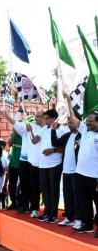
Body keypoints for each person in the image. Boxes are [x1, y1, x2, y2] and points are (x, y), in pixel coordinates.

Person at [64, 92, 98, 234]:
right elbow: (73, 117)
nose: (88, 122)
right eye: (87, 120)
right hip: (80, 173)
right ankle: (88, 224)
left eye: (91, 121)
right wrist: (68, 101)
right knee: (84, 201)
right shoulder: (84, 130)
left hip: (94, 176)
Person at [30, 109, 68, 223]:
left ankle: (53, 214)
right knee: (45, 190)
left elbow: (63, 147)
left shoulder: (61, 130)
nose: (44, 120)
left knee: (53, 190)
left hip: (54, 164)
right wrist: (31, 131)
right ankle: (46, 212)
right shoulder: (44, 129)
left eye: (47, 118)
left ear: (53, 118)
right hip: (43, 165)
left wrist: (53, 150)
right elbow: (35, 141)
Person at [50, 116, 81, 227]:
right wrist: (53, 130)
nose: (69, 124)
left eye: (71, 122)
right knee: (67, 196)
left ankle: (78, 219)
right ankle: (69, 217)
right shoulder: (68, 135)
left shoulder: (82, 135)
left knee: (77, 197)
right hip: (66, 171)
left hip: (77, 172)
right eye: (68, 122)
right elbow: (55, 143)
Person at [7, 130, 22, 210]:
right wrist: (14, 133)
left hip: (23, 164)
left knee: (22, 186)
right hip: (13, 164)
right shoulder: (14, 134)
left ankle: (21, 204)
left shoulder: (25, 135)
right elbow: (9, 144)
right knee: (11, 185)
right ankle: (14, 203)